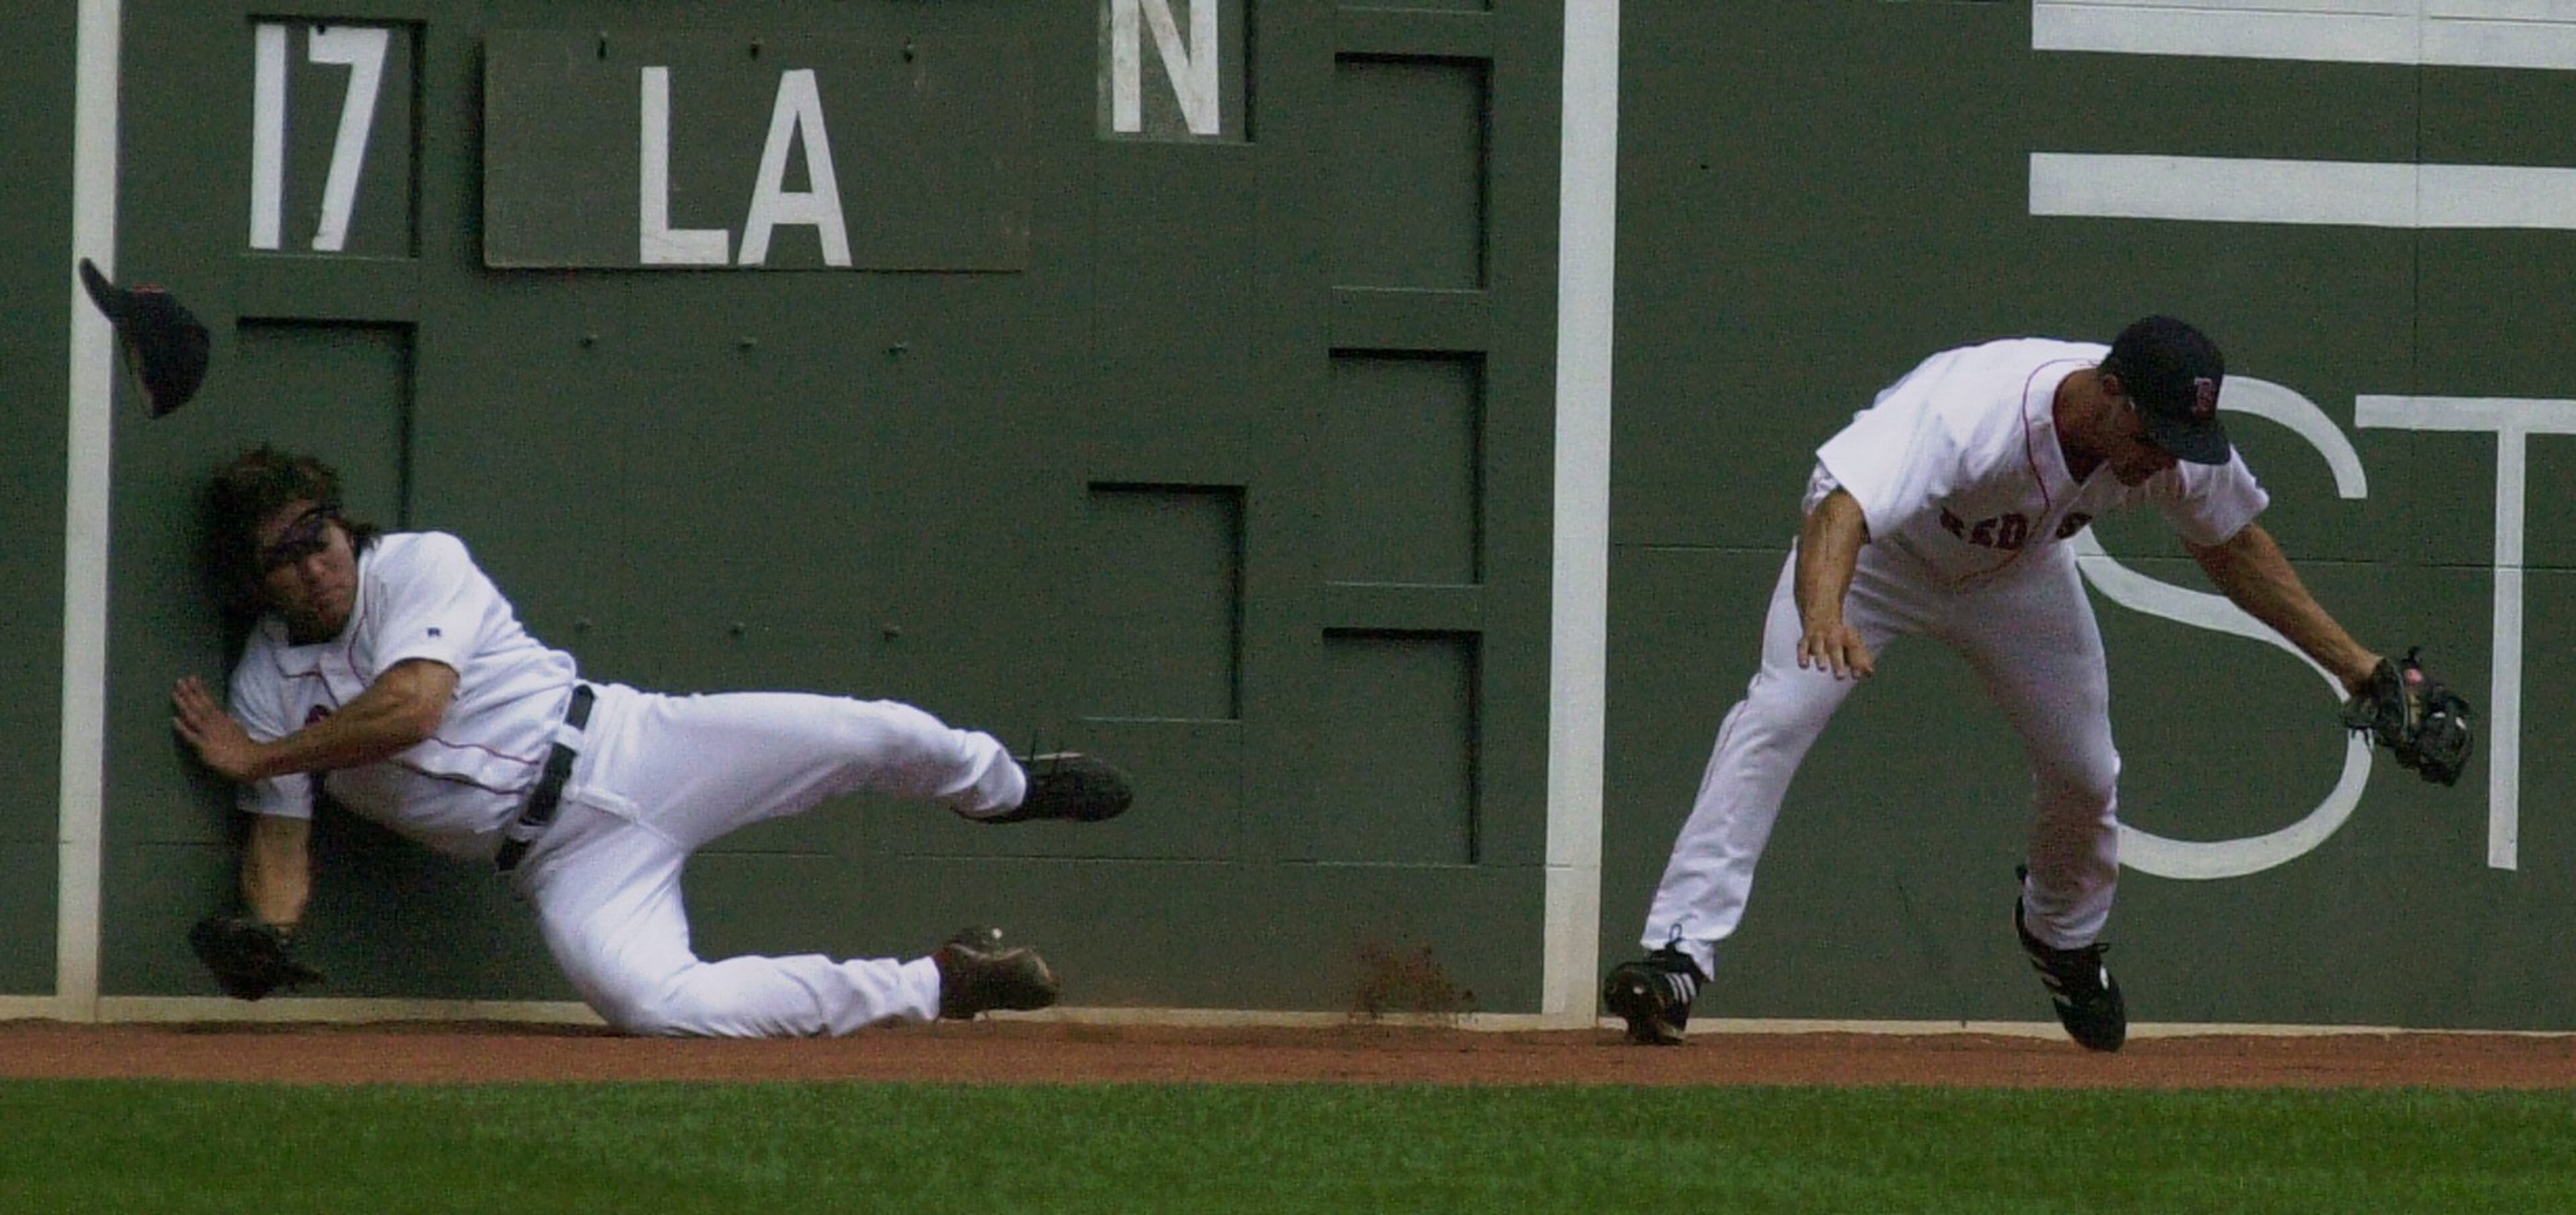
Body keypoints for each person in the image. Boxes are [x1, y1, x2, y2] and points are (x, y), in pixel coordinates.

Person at [1603, 317, 2388, 1051]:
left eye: (2183, 438)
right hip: (1881, 562)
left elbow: (2235, 546)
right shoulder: (1975, 409)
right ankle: (1678, 953)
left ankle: (2060, 932)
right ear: (2108, 390)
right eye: (2155, 434)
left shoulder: (2159, 445)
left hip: (2018, 578)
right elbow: (1842, 504)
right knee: (1779, 712)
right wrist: (1824, 612)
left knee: (2086, 771)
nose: (2164, 456)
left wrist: (2361, 667)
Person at [172, 445, 1134, 1037]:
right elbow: (280, 842)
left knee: (867, 730)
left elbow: (413, 705)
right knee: (655, 1006)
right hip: (554, 860)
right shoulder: (265, 680)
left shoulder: (416, 563)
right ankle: (943, 980)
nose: (312, 563)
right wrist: (270, 933)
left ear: (344, 525)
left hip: (629, 744)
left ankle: (1001, 785)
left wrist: (259, 756)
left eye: (318, 533)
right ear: (252, 580)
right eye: (282, 555)